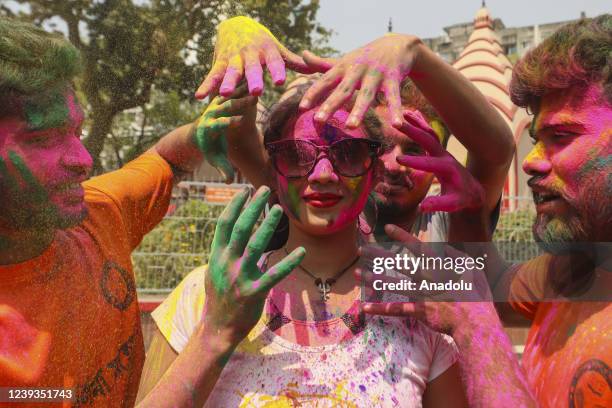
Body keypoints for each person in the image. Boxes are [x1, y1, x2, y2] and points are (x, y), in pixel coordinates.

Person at [182, 16, 532, 406]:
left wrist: (413, 52)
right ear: (373, 157)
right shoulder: (309, 200)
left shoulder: (449, 221)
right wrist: (238, 35)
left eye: (416, 149)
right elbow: (247, 141)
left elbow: (498, 152)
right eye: (382, 147)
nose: (397, 163)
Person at [137, 81, 469, 406]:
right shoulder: (204, 295)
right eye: (296, 155)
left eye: (348, 153)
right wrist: (216, 333)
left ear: (375, 172)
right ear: (274, 174)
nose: (322, 174)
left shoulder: (422, 305)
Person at [0, 16, 221, 406]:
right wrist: (217, 332)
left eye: (76, 132)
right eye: (43, 139)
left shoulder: (97, 213)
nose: (82, 159)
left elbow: (167, 160)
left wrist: (207, 128)